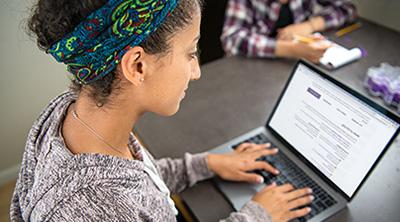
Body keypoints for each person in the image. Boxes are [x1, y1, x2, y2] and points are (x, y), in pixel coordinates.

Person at [10, 0, 314, 221]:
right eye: (190, 53)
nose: (196, 71)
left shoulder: (80, 116)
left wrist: (205, 164)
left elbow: (141, 180)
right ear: (137, 66)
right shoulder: (88, 209)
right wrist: (256, 216)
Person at [221, 0, 357, 63]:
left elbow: (347, 9)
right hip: (250, 66)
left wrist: (310, 25)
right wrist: (291, 49)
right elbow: (232, 38)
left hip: (293, 64)